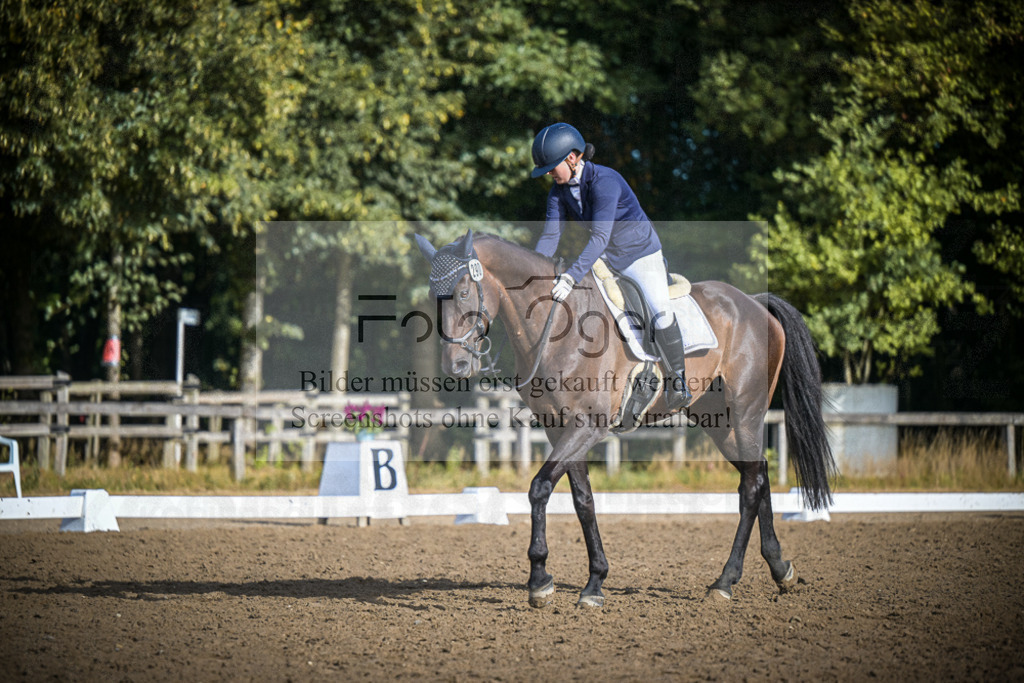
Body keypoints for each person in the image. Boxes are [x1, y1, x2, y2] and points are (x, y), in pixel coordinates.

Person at [530, 122, 692, 410]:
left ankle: (678, 379)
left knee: (658, 309)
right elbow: (551, 235)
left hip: (639, 253)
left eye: (553, 167)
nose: (550, 174)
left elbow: (600, 236)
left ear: (572, 157)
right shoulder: (558, 192)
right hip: (606, 257)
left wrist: (570, 276)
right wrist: (534, 273)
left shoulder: (607, 181)